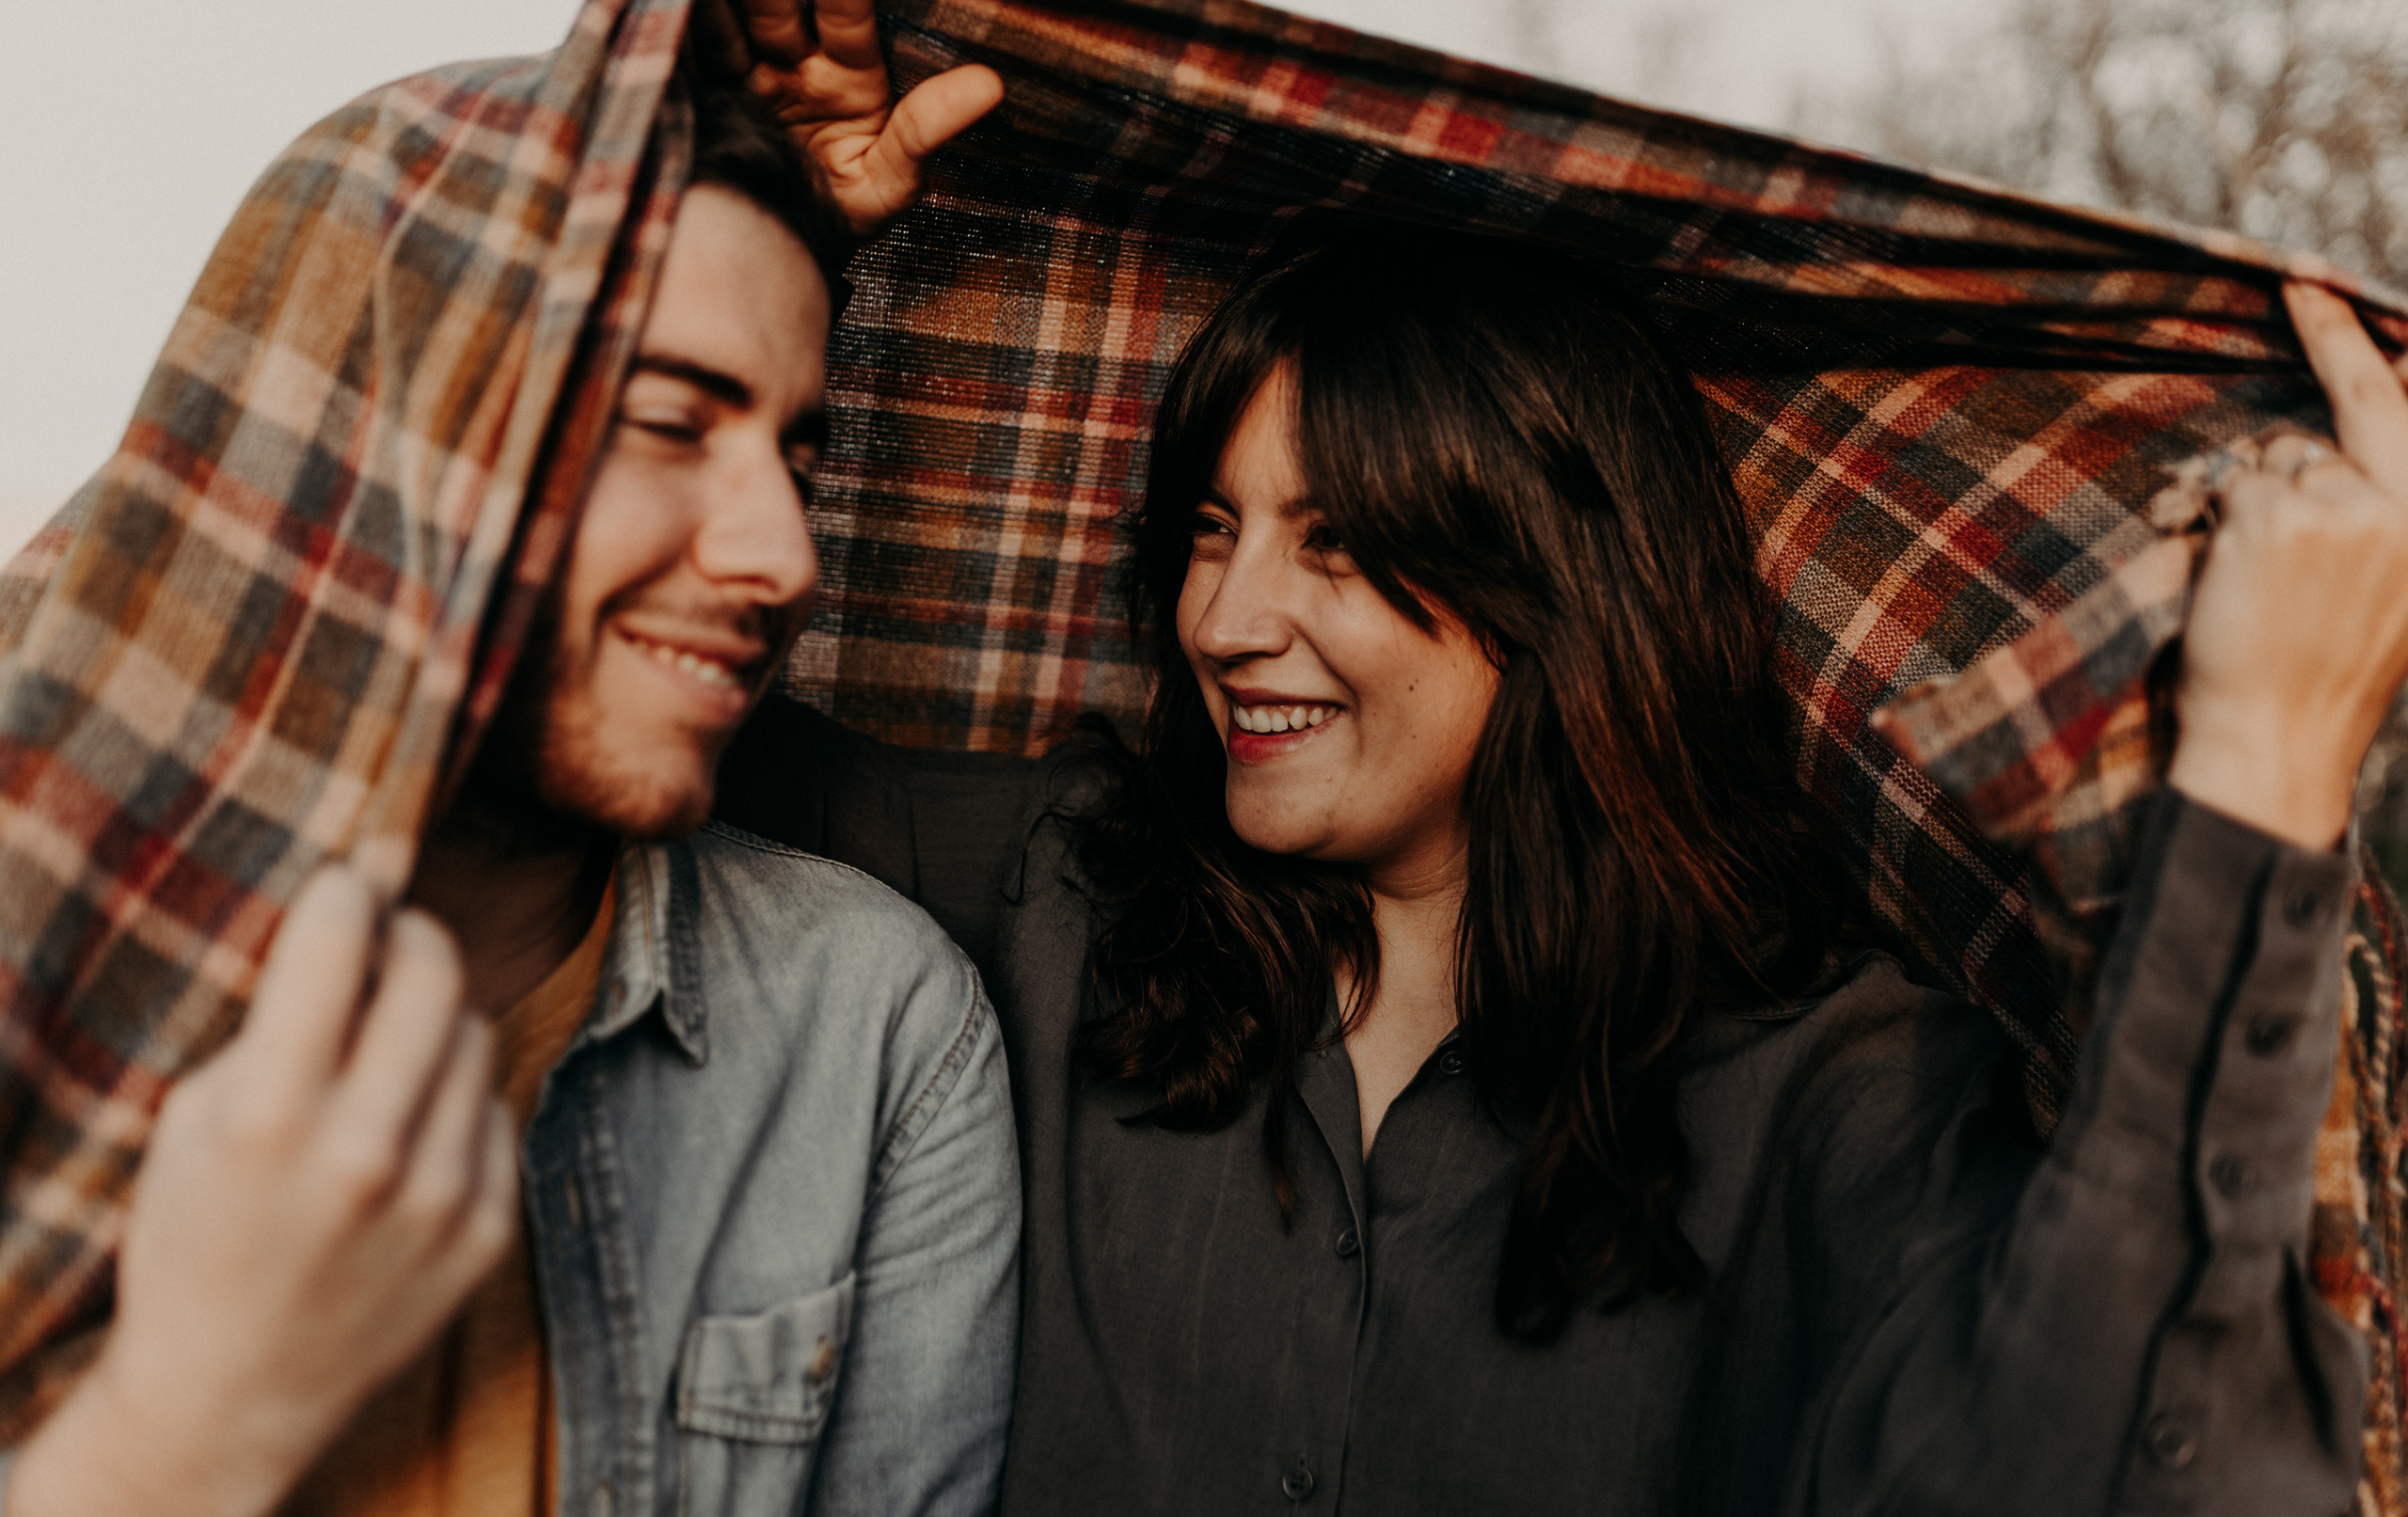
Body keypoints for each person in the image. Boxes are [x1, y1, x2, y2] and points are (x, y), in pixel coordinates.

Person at [720, 222, 2407, 1513]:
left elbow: (2117, 1466)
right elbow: (622, 726)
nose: (1227, 623)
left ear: (1556, 594)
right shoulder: (1066, 894)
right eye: (1213, 531)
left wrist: (2264, 774)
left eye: (1340, 542)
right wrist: (774, 230)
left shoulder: (1828, 1087)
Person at [0, 0, 1019, 1511]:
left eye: (800, 458)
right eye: (671, 422)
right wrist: (187, 1427)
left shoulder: (874, 1035)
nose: (783, 556)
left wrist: (733, 207)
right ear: (384, 453)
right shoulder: (41, 955)